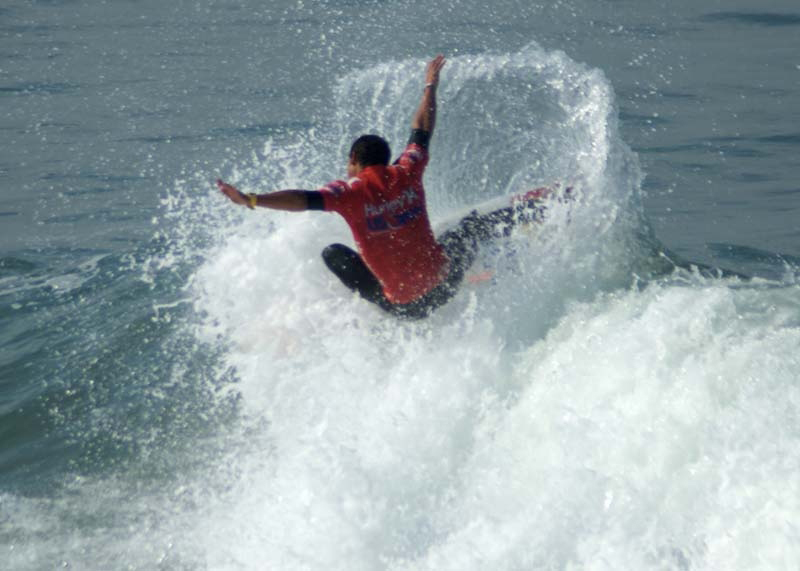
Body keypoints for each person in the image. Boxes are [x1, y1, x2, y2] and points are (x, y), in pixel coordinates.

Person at [217, 55, 540, 319]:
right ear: (386, 159)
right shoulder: (409, 170)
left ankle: (367, 310)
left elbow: (302, 200)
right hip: (446, 285)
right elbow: (422, 128)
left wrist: (252, 199)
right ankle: (541, 209)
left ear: (355, 159)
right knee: (469, 228)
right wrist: (430, 85)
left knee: (333, 253)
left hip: (404, 309)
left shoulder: (347, 193)